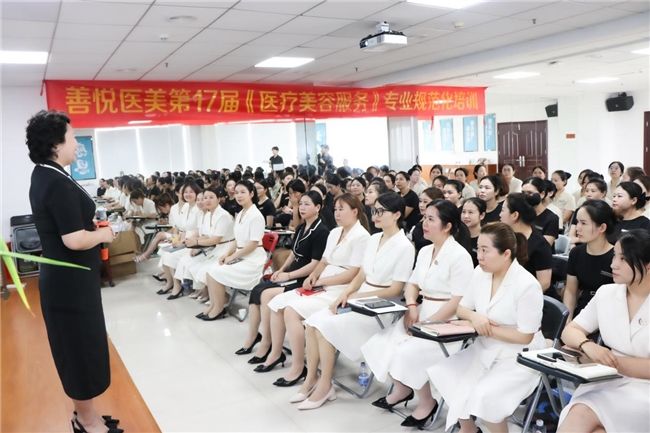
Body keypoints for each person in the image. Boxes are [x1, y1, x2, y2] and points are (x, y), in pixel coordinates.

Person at [27, 110, 121, 433]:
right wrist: (104, 235)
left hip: (72, 282)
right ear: (55, 144)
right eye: (72, 137)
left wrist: (89, 225)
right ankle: (86, 421)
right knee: (79, 348)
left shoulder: (48, 174)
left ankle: (86, 414)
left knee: (82, 344)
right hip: (69, 285)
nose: (77, 144)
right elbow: (74, 239)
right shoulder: (54, 181)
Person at [296, 192, 415, 410]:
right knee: (312, 323)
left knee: (324, 327)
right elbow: (361, 274)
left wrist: (357, 296)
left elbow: (396, 289)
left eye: (381, 211)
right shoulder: (374, 238)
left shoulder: (405, 246)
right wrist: (347, 293)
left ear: (397, 214)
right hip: (360, 297)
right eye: (374, 210)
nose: (375, 215)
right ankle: (311, 378)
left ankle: (325, 385)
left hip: (381, 307)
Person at [362, 199, 474, 428]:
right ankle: (402, 389)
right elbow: (412, 284)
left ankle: (427, 402)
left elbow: (457, 301)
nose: (424, 223)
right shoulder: (424, 251)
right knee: (380, 343)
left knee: (407, 352)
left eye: (431, 219)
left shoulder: (459, 256)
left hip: (447, 321)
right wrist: (412, 306)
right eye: (425, 218)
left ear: (447, 226)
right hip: (421, 312)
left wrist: (428, 323)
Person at [430, 222, 545, 433]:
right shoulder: (480, 273)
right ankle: (469, 429)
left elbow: (525, 337)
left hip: (519, 355)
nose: (479, 256)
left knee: (484, 395)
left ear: (506, 254)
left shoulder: (527, 285)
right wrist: (476, 318)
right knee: (445, 372)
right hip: (486, 346)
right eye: (478, 249)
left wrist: (482, 327)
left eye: (485, 250)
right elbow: (462, 309)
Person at [265, 194, 370, 384]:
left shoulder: (362, 237)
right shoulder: (335, 232)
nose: (337, 214)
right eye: (335, 209)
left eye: (342, 209)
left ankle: (298, 367)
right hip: (323, 283)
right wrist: (313, 276)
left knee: (291, 311)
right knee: (276, 303)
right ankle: (275, 352)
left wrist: (321, 281)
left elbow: (353, 274)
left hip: (340, 289)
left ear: (355, 212)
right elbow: (323, 260)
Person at [557, 229, 650, 433]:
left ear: (647, 265)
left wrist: (605, 361)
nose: (613, 264)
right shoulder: (607, 293)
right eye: (614, 256)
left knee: (584, 416)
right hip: (606, 381)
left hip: (644, 390)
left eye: (623, 259)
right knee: (582, 414)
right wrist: (587, 345)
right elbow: (570, 331)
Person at [237, 191, 329, 360]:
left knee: (266, 294)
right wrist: (281, 270)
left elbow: (314, 264)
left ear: (318, 208)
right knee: (257, 290)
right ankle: (255, 337)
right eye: (301, 204)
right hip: (292, 273)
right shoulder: (301, 227)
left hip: (304, 279)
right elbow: (293, 254)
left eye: (307, 204)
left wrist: (288, 276)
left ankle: (269, 344)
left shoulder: (322, 231)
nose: (302, 207)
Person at [203, 181, 267, 320]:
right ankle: (214, 305)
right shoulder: (241, 213)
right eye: (236, 192)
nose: (239, 195)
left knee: (216, 272)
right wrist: (226, 254)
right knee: (210, 270)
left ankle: (219, 308)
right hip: (242, 256)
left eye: (243, 192)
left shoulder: (256, 216)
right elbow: (237, 240)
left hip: (253, 260)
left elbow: (252, 245)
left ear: (251, 194)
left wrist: (232, 257)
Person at [563, 200, 615, 319]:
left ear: (602, 227)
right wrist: (567, 320)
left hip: (608, 315)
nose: (578, 228)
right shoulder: (576, 253)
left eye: (583, 223)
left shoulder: (617, 257)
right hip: (582, 312)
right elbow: (570, 291)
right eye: (577, 222)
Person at [500, 193, 553, 292]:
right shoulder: (503, 236)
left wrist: (517, 296)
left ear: (515, 215)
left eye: (503, 210)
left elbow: (544, 283)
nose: (500, 215)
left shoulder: (540, 245)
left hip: (528, 294)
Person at [522, 177, 560, 246]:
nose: (525, 196)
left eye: (530, 193)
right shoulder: (521, 214)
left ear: (542, 194)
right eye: (523, 193)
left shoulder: (552, 218)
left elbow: (545, 246)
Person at [408, 187, 443, 255]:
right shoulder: (417, 217)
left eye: (425, 202)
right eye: (420, 201)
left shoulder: (438, 223)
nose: (421, 205)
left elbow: (421, 243)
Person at [461, 197, 487, 267]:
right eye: (463, 212)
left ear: (482, 215)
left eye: (470, 212)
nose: (466, 216)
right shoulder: (456, 235)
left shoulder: (486, 238)